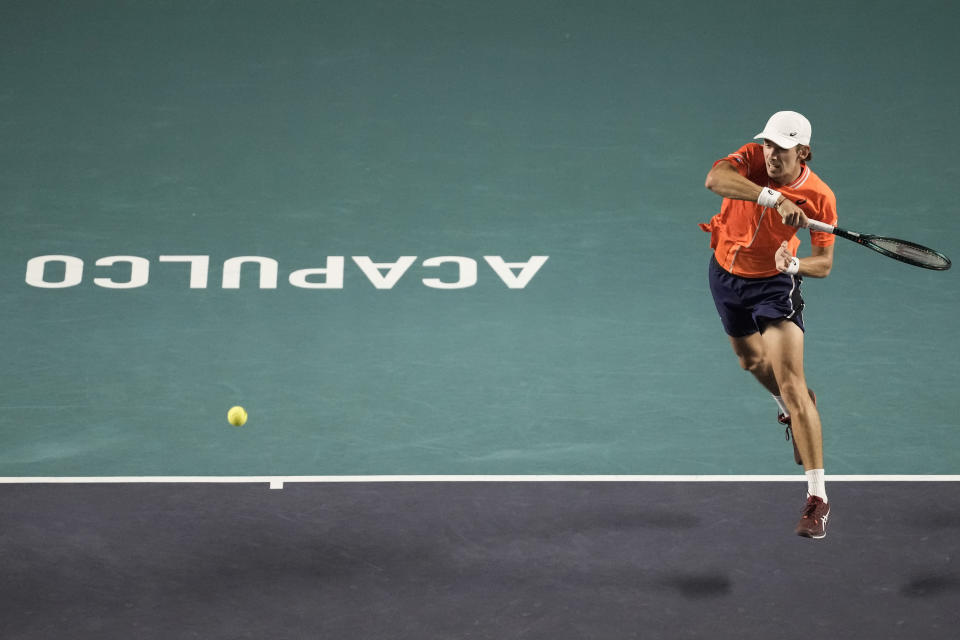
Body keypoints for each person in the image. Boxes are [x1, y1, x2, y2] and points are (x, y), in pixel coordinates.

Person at [700, 111, 837, 539]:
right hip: (724, 274)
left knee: (792, 382)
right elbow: (715, 180)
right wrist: (772, 199)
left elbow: (825, 264)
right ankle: (789, 408)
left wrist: (795, 264)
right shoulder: (751, 161)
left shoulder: (819, 197)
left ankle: (818, 499)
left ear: (804, 151)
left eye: (782, 147)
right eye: (769, 144)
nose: (772, 153)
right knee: (749, 362)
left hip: (774, 286)